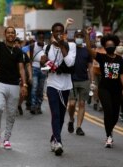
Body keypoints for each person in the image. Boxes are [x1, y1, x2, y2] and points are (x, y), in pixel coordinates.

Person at [0, 9, 27, 149]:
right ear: (5, 35)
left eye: (13, 32)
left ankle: (7, 139)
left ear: (15, 36)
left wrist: (25, 84)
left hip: (14, 85)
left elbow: (21, 68)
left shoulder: (18, 51)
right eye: (8, 32)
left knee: (11, 113)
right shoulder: (0, 46)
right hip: (0, 83)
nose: (10, 34)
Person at [85, 28, 123, 148]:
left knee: (115, 114)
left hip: (117, 89)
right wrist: (88, 36)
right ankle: (108, 136)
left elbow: (122, 74)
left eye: (112, 45)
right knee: (108, 111)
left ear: (115, 46)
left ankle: (110, 130)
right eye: (107, 45)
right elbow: (89, 49)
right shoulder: (101, 57)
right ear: (104, 46)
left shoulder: (119, 59)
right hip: (104, 88)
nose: (110, 46)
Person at [46, 22, 76, 156]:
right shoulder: (48, 48)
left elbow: (69, 62)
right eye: (56, 31)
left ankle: (53, 137)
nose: (58, 33)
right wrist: (44, 63)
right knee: (55, 114)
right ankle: (58, 142)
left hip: (66, 85)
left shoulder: (72, 46)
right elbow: (46, 64)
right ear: (52, 33)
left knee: (62, 116)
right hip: (52, 84)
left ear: (64, 33)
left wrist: (62, 45)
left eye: (61, 31)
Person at [67, 29, 92, 136]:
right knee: (72, 104)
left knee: (82, 103)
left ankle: (79, 127)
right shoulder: (70, 49)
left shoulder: (87, 50)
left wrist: (92, 81)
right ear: (74, 37)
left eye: (81, 36)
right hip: (71, 79)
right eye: (77, 36)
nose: (79, 38)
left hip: (84, 80)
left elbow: (90, 67)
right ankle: (71, 119)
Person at [14, 37, 32, 115]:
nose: (16, 44)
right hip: (12, 76)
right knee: (13, 94)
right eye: (15, 43)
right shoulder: (10, 53)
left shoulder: (24, 54)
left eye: (18, 43)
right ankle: (13, 106)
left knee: (22, 93)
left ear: (20, 44)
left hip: (22, 76)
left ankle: (18, 105)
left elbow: (28, 65)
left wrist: (30, 76)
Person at [91, 31, 105, 111]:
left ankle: (101, 103)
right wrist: (92, 78)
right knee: (95, 88)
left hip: (103, 73)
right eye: (97, 39)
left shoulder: (106, 50)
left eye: (100, 38)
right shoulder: (94, 50)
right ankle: (95, 101)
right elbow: (91, 64)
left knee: (102, 89)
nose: (99, 41)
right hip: (95, 72)